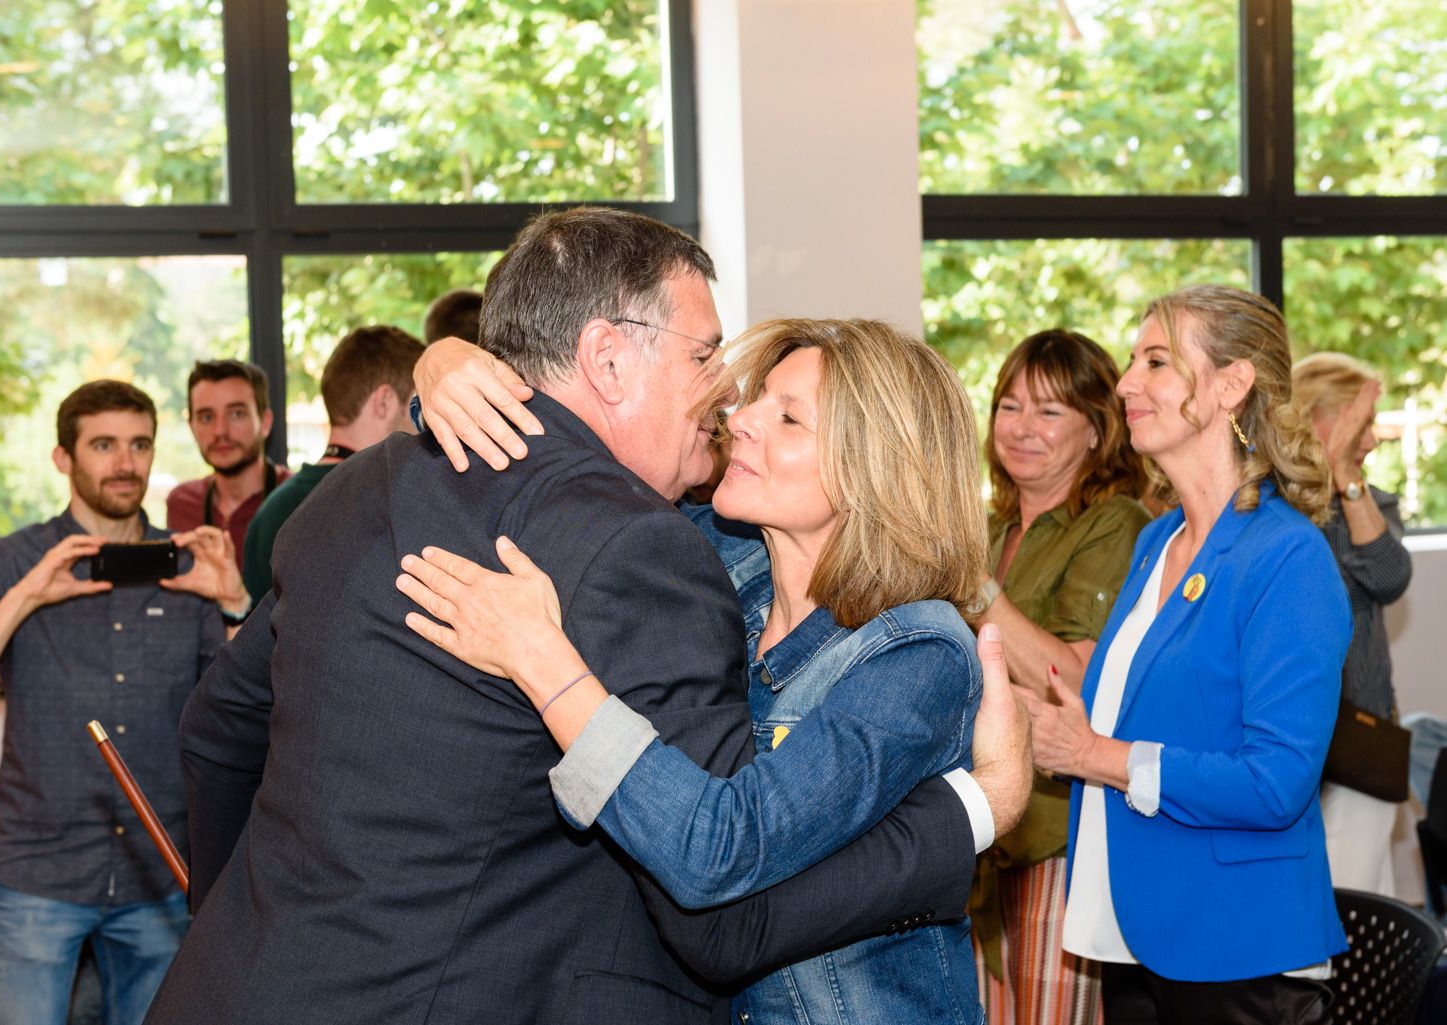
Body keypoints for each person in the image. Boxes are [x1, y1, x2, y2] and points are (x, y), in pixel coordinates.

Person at [144, 207, 1032, 1025]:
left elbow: (216, 731)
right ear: (607, 357)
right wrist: (976, 810)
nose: (729, 400)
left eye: (780, 411)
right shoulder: (658, 552)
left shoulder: (356, 489)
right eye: (704, 357)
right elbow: (719, 915)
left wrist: (242, 923)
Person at [401, 317, 992, 1023]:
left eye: (788, 417)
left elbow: (719, 849)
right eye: (756, 400)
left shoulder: (917, 653)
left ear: (876, 464)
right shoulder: (724, 556)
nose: (738, 420)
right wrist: (443, 373)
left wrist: (543, 662)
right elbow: (560, 477)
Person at [1022, 285, 1350, 1023]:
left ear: (1232, 385)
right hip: (1139, 934)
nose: (1126, 383)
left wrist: (1095, 752)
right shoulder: (1155, 541)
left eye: (1156, 362)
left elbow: (1274, 783)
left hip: (1235, 950)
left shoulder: (1286, 556)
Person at [0, 380, 252, 1025]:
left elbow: (246, 716)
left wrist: (234, 603)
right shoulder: (14, 559)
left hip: (160, 873)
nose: (126, 463)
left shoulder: (187, 564)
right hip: (38, 872)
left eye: (139, 445)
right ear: (63, 458)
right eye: (104, 445)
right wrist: (25, 597)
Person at [968, 330, 1151, 1025]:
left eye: (1047, 412)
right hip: (984, 836)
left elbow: (1068, 677)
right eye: (1008, 406)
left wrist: (974, 587)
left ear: (1097, 429)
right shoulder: (990, 527)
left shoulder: (1114, 523)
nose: (1020, 428)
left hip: (1061, 834)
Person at [1292, 352, 1412, 896]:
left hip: (1360, 743)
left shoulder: (1372, 502)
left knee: (1354, 906)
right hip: (1294, 741)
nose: (1372, 440)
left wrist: (1346, 477)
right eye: (1360, 424)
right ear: (1314, 419)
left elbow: (1390, 576)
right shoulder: (1274, 508)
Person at [241, 325, 425, 604]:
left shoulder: (269, 511)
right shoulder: (392, 503)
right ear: (385, 401)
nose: (424, 421)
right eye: (417, 403)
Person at [165, 359, 290, 569]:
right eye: (206, 417)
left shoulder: (299, 501)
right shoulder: (182, 504)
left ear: (265, 422)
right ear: (192, 427)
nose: (220, 430)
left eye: (236, 414)